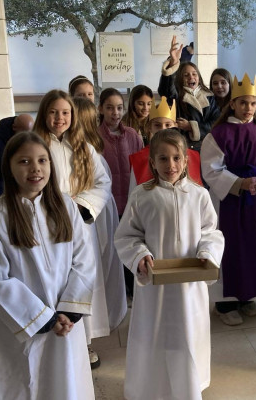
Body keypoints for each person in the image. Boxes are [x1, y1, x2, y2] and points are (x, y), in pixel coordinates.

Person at [0, 131, 95, 399]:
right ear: (8, 166)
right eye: (24, 161)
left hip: (66, 317)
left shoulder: (66, 206)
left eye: (42, 160)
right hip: (26, 323)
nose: (35, 169)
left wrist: (69, 308)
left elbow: (84, 258)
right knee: (30, 382)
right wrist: (42, 318)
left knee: (69, 380)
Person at [114, 129, 225, 400]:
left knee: (188, 331)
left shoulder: (199, 195)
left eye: (176, 158)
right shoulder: (141, 195)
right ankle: (151, 385)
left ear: (186, 160)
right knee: (155, 331)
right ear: (152, 162)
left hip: (189, 284)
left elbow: (211, 232)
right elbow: (127, 235)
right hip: (156, 284)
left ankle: (190, 382)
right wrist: (139, 256)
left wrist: (207, 254)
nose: (170, 165)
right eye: (163, 159)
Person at [33, 90, 112, 369]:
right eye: (53, 112)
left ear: (73, 116)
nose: (59, 118)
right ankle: (51, 334)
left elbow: (102, 183)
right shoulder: (34, 145)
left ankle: (84, 342)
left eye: (65, 112)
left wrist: (82, 206)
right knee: (52, 282)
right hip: (45, 227)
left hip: (78, 226)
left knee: (79, 279)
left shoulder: (84, 148)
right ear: (44, 113)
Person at [201, 74, 256, 326]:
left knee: (251, 246)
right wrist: (239, 183)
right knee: (228, 246)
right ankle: (225, 302)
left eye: (252, 103)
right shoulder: (218, 134)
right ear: (232, 103)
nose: (248, 108)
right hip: (227, 202)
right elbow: (211, 170)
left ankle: (246, 295)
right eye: (243, 102)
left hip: (253, 202)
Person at [74, 97, 128, 330]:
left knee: (99, 263)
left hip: (91, 214)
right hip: (84, 214)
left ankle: (103, 317)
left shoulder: (90, 152)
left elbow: (102, 184)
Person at [158, 35, 220, 151]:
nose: (191, 77)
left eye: (194, 74)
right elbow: (165, 91)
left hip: (208, 147)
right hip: (184, 148)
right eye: (186, 75)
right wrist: (173, 63)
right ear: (180, 79)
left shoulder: (210, 96)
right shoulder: (177, 95)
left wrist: (191, 126)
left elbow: (216, 122)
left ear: (199, 77)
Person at [128, 98, 203, 193]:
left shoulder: (192, 156)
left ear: (175, 125)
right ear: (150, 127)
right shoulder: (139, 159)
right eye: (157, 125)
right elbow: (133, 192)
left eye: (168, 125)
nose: (163, 129)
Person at [97, 88, 144, 216]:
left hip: (131, 203)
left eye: (119, 108)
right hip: (106, 204)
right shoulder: (95, 137)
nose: (115, 112)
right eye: (109, 108)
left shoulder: (132, 135)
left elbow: (141, 168)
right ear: (101, 109)